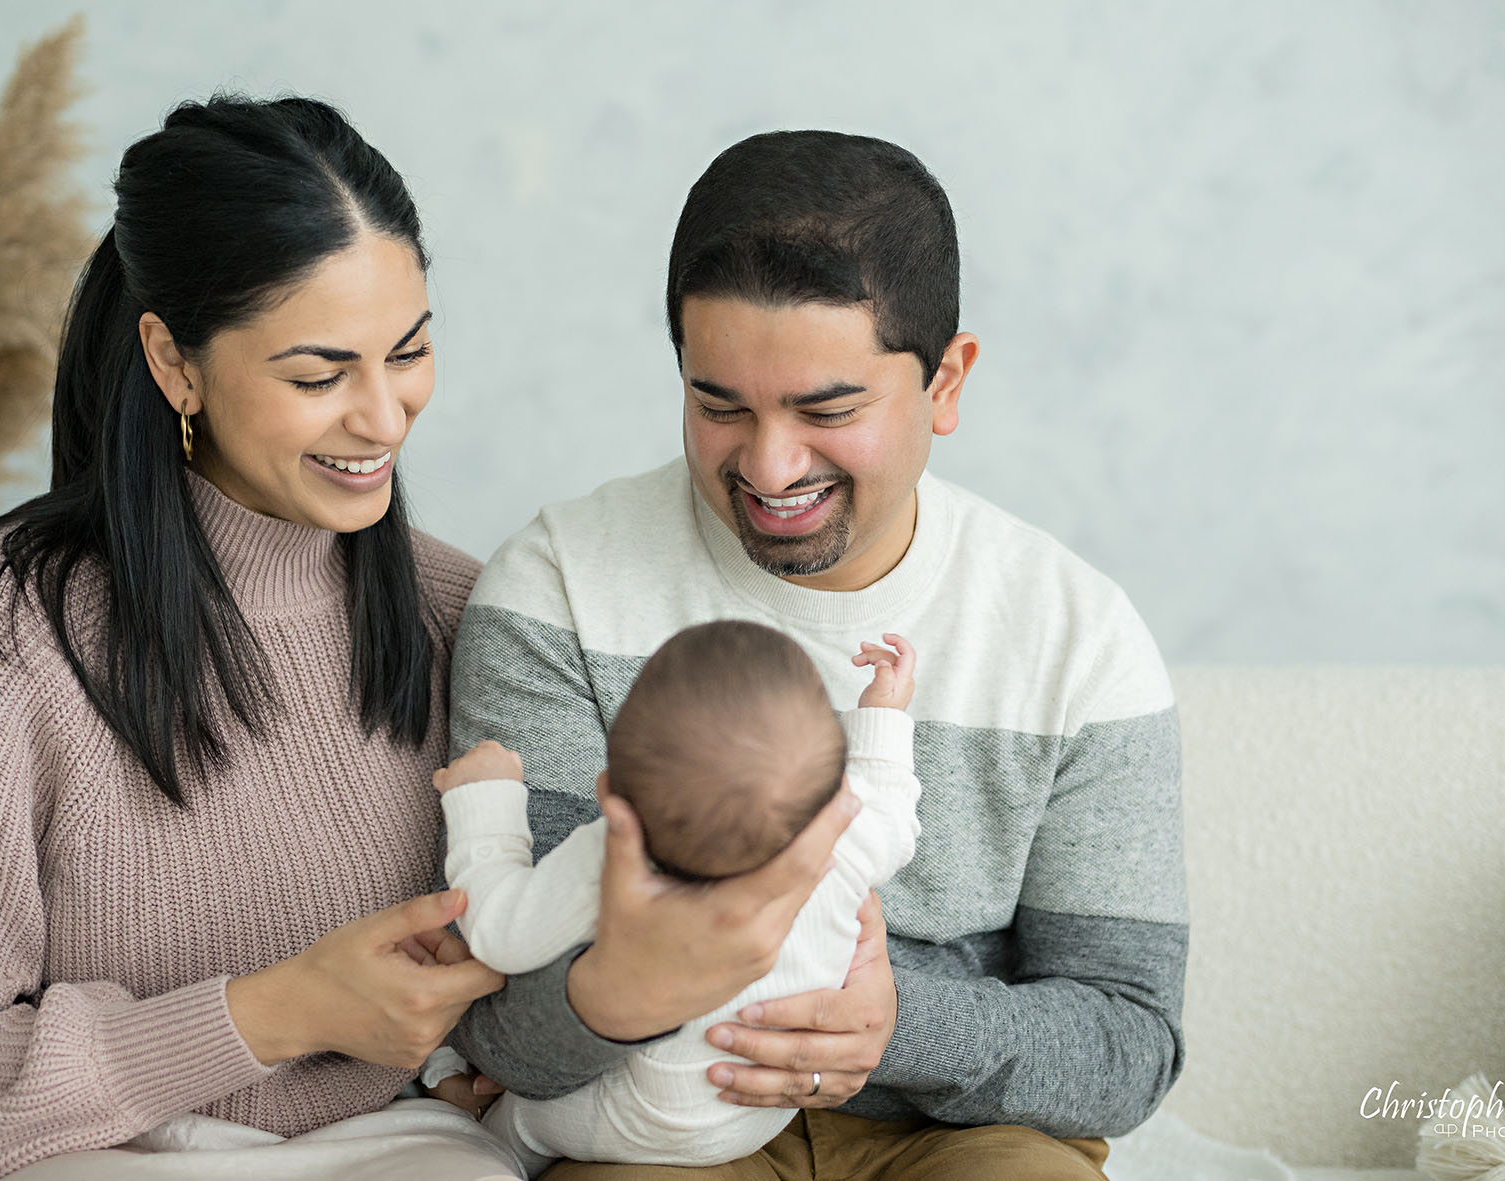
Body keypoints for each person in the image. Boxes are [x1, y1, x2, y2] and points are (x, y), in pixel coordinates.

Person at [446, 130, 1187, 1180]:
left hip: (968, 1133)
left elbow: (1130, 1043)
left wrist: (894, 1023)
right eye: (719, 405)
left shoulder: (1078, 637)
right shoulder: (559, 588)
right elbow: (497, 1022)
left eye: (827, 409)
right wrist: (632, 986)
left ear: (947, 381)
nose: (770, 464)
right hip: (659, 1128)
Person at [0, 96, 520, 1180]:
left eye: (409, 351)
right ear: (174, 360)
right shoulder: (2, 630)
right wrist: (271, 1012)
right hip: (88, 1154)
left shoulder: (456, 610)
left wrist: (499, 1051)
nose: (384, 417)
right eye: (319, 375)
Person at [427, 623, 921, 1176]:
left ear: (609, 790)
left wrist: (486, 802)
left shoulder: (612, 858)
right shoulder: (845, 833)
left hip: (646, 1116)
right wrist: (883, 714)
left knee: (516, 1123)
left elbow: (500, 935)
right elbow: (890, 807)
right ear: (834, 792)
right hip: (766, 1108)